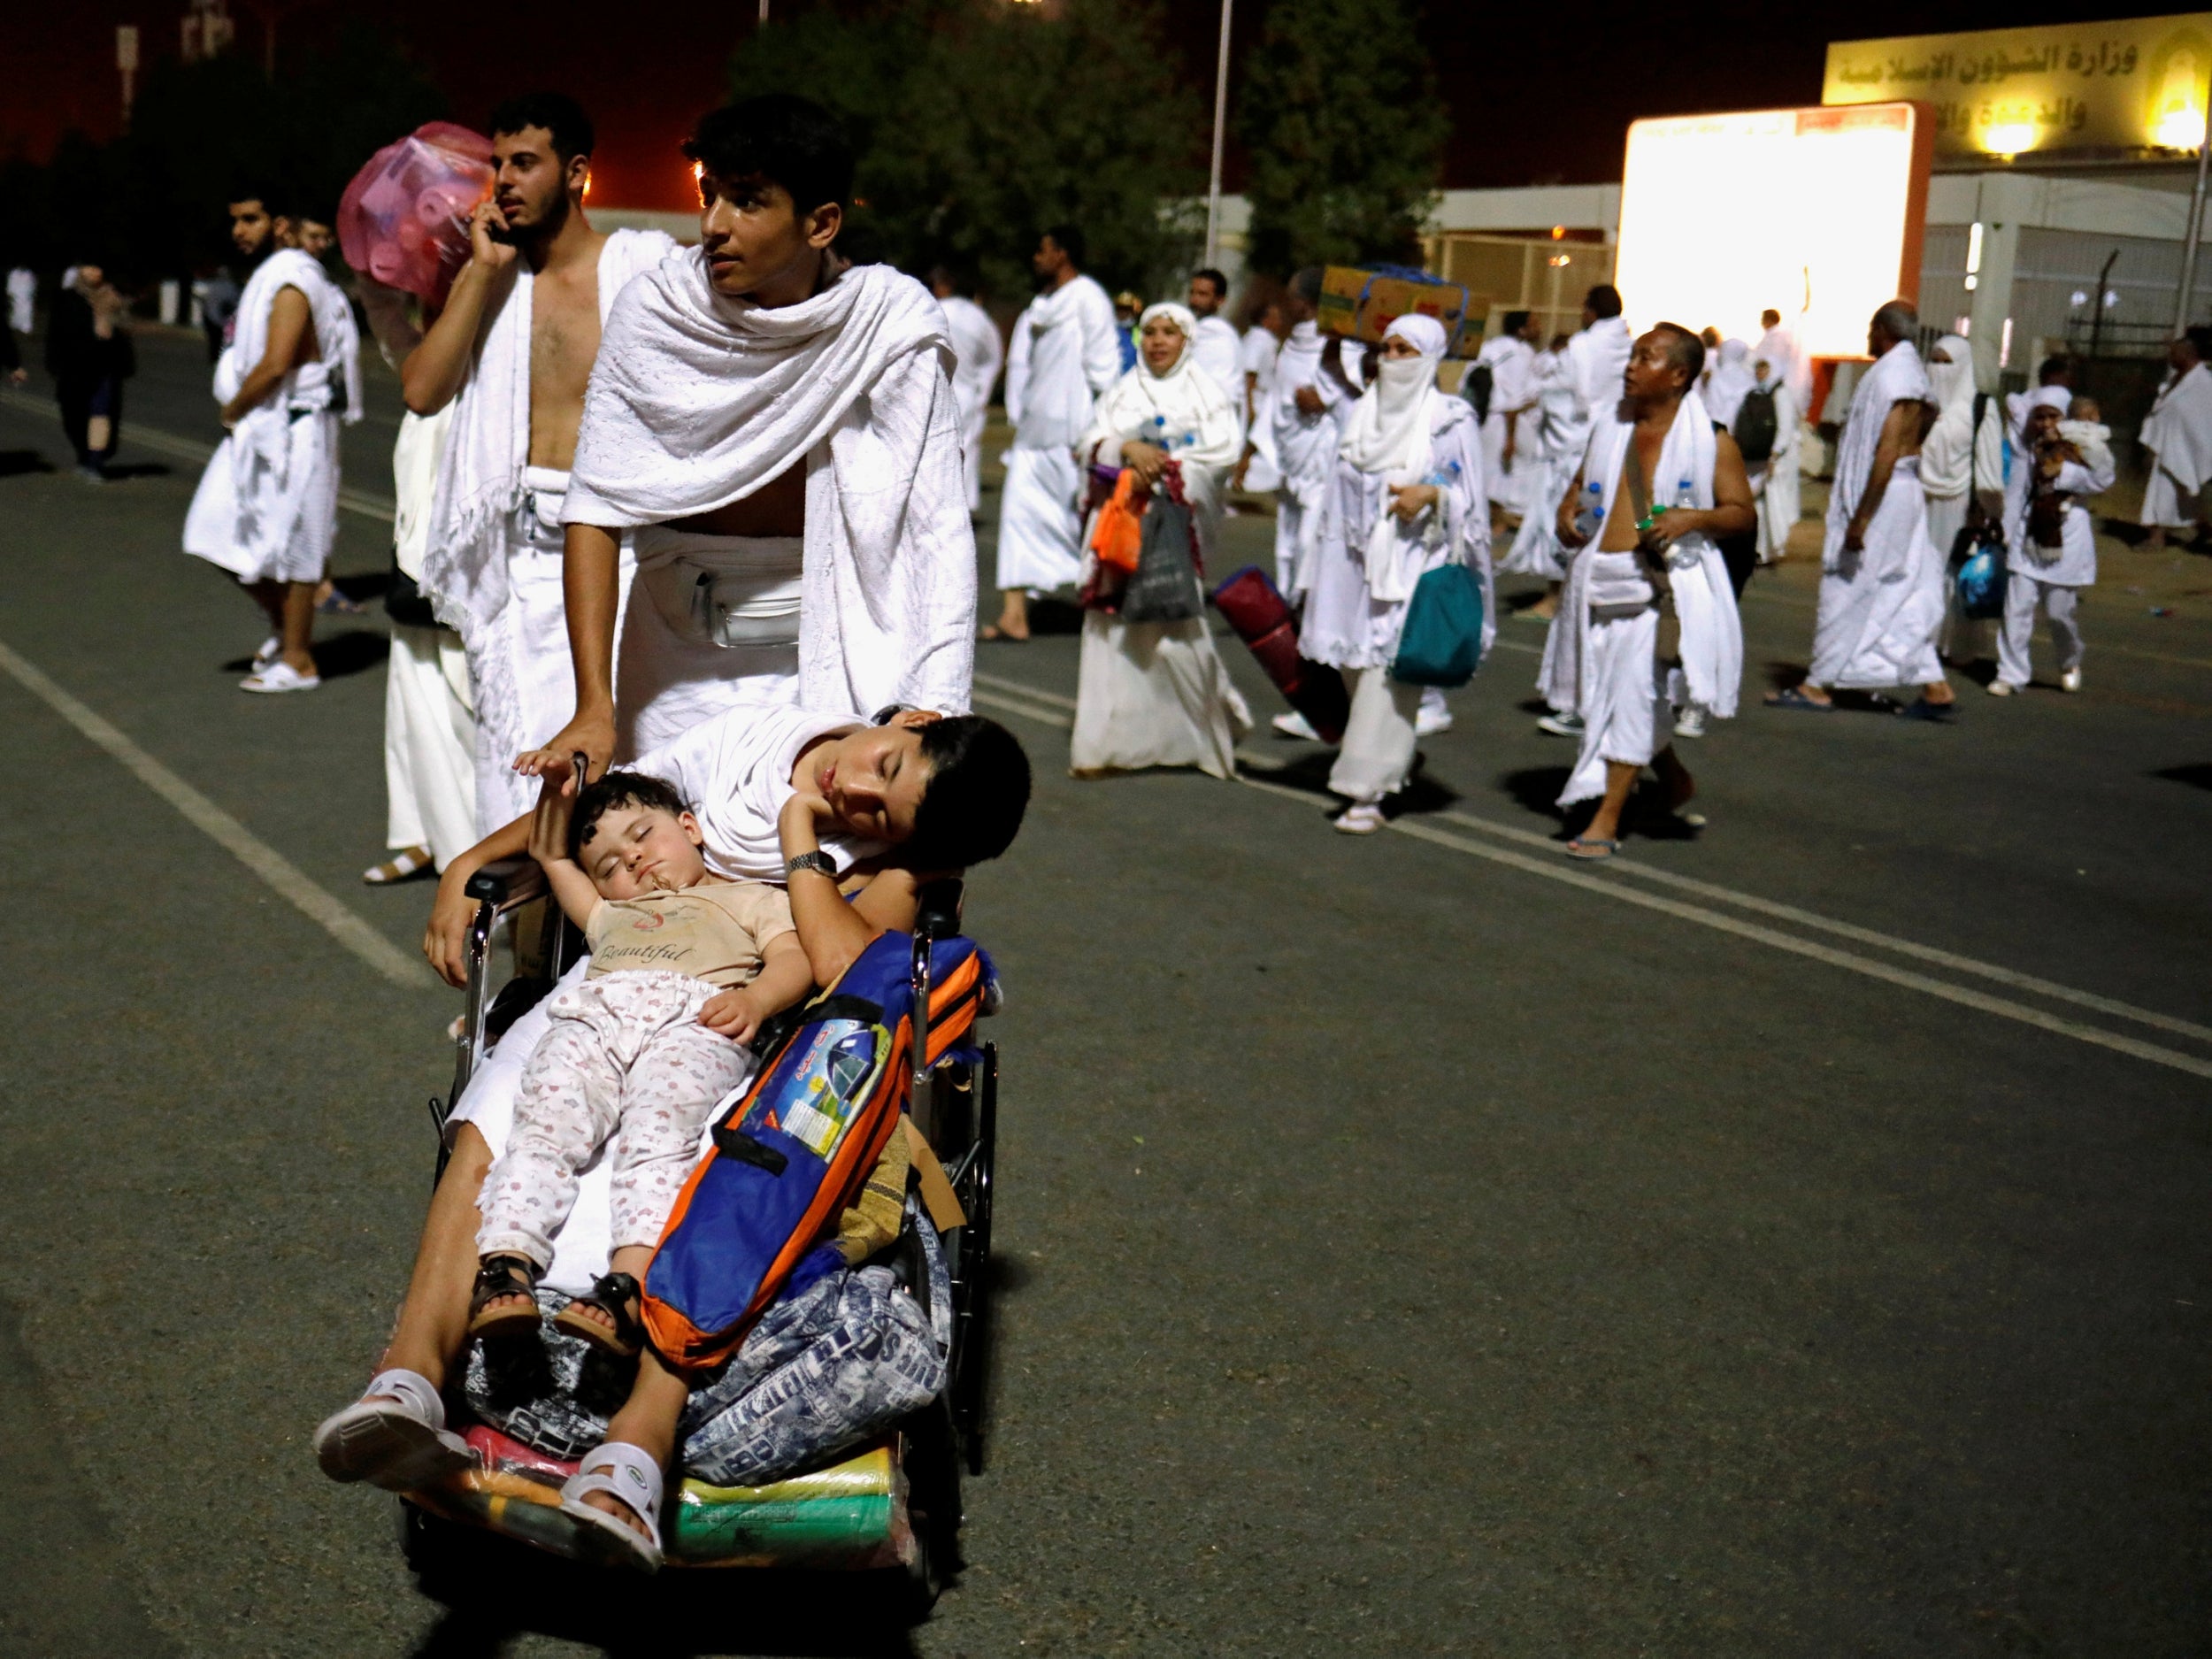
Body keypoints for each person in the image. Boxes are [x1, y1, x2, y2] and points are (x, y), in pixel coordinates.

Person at [312, 702, 1030, 1503]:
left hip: (754, 1009)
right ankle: (410, 1375)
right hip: (619, 974)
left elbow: (840, 971)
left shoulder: (895, 856)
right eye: (885, 764)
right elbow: (605, 809)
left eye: (882, 813)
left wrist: (799, 832)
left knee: (725, 1158)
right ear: (915, 720)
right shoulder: (749, 735)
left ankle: (639, 1439)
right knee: (499, 1099)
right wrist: (465, 866)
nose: (857, 792)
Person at [546, 95, 975, 787]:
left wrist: (939, 702)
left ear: (820, 223)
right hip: (672, 663)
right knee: (663, 842)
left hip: (833, 659)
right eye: (710, 195)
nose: (713, 225)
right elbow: (595, 505)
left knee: (812, 845)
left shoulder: (885, 325)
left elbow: (937, 528)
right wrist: (594, 704)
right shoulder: (657, 311)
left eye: (747, 202)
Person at [467, 769, 812, 1354]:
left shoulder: (751, 898)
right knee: (546, 1119)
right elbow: (552, 854)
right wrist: (558, 782)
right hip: (597, 1016)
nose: (631, 859)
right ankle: (507, 1261)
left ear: (690, 827)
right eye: (609, 867)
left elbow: (793, 956)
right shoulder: (608, 915)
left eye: (642, 835)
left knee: (658, 1131)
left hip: (696, 1017)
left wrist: (757, 999)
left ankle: (626, 1283)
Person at [406, 93, 677, 832]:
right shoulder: (494, 282)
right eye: (497, 165)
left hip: (624, 559)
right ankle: (528, 910)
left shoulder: (643, 268)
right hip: (523, 561)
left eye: (524, 163)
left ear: (577, 172)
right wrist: (479, 272)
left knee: (623, 778)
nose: (503, 181)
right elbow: (423, 391)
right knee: (518, 779)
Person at [1546, 324, 1751, 857]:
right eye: (1633, 355)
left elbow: (1740, 514)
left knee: (1633, 700)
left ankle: (1606, 819)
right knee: (1606, 697)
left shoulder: (1712, 441)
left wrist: (1691, 519)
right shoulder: (1611, 425)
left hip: (1655, 593)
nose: (1631, 366)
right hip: (1597, 583)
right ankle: (1674, 778)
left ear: (1679, 375)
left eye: (1646, 358)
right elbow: (1582, 485)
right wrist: (1567, 511)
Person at [1299, 315, 1491, 834]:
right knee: (1354, 669)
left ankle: (1368, 789)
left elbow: (1465, 488)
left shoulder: (1449, 420)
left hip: (1410, 562)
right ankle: (1390, 760)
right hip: (1350, 566)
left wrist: (1431, 493)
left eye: (1406, 350)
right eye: (1387, 349)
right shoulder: (1363, 413)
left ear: (1429, 358)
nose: (1393, 360)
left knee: (1386, 677)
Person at [1067, 302, 1253, 778]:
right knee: (1112, 630)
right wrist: (1126, 449)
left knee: (1175, 632)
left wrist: (1166, 472)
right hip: (1121, 527)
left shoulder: (1207, 396)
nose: (1158, 342)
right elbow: (1088, 445)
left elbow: (1222, 456)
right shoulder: (1122, 392)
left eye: (1169, 332)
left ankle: (1205, 734)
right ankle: (1107, 746)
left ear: (1186, 341)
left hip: (1173, 530)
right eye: (1149, 332)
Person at [180, 192, 354, 692]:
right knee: (213, 530)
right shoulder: (272, 276)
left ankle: (299, 660)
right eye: (235, 220)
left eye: (251, 219)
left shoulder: (292, 281)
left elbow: (277, 363)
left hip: (294, 428)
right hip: (265, 426)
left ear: (279, 225)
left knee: (297, 543)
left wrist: (233, 409)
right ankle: (285, 631)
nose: (239, 230)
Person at [1769, 300, 1955, 720]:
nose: (1869, 337)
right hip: (1905, 493)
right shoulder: (1912, 374)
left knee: (1849, 587)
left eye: (1872, 329)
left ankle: (1816, 684)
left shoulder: (1893, 377)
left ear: (1883, 330)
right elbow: (1927, 421)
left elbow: (1886, 451)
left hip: (1885, 497)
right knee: (1900, 588)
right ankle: (1934, 684)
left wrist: (1862, 519)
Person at [988, 226, 1119, 641]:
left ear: (1062, 255)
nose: (1036, 257)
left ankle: (1106, 612)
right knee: (1017, 519)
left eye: (1043, 250)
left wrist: (1102, 431)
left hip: (1072, 436)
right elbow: (1025, 368)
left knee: (1082, 527)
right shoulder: (1041, 305)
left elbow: (1104, 370)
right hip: (1033, 435)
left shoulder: (1089, 299)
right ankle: (1014, 615)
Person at [1529, 285, 1634, 731]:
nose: (1633, 369)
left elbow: (1567, 396)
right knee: (1583, 559)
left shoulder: (1584, 348)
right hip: (1592, 462)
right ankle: (1579, 699)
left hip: (1591, 460)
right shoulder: (1622, 351)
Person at [1989, 390, 2113, 696]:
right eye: (2040, 416)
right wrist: (2006, 529)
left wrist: (2064, 472)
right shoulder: (2029, 448)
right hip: (2029, 533)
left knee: (2059, 614)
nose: (2045, 423)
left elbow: (2103, 480)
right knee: (2016, 609)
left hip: (2067, 537)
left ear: (2066, 418)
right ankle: (2011, 673)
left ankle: (2069, 661)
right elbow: (2018, 490)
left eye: (2052, 416)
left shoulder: (2084, 445)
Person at [1268, 266, 1355, 599]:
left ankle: (1304, 602)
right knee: (1285, 542)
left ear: (1304, 303)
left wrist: (1326, 397)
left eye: (1291, 297)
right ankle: (1283, 600)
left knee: (1309, 539)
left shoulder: (1342, 346)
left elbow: (1354, 389)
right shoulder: (1290, 344)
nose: (1286, 303)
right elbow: (1277, 395)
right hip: (1291, 453)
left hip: (1321, 455)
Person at [43, 262, 134, 480]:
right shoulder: (67, 299)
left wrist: (126, 360)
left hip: (105, 366)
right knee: (74, 415)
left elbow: (124, 333)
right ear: (80, 271)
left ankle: (95, 462)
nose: (94, 272)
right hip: (74, 367)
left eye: (98, 268)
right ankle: (84, 455)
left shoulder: (113, 297)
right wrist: (53, 361)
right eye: (89, 268)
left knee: (100, 413)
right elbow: (55, 332)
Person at [930, 265, 1004, 516]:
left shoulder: (933, 309)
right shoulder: (979, 317)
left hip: (938, 391)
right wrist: (982, 391)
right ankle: (961, 507)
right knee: (967, 451)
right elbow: (994, 357)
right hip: (968, 395)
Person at [2140, 329, 2212, 550]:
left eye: (2174, 352)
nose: (2170, 357)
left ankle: (2202, 531)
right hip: (2171, 445)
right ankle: (2158, 536)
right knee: (2165, 489)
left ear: (2189, 353)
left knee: (2196, 493)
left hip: (2195, 448)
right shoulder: (2176, 380)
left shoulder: (2204, 383)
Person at [1473, 311, 1540, 524]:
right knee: (1501, 473)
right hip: (1503, 421)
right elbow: (1512, 401)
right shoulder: (1516, 354)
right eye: (1534, 324)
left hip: (1486, 417)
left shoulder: (1492, 347)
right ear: (1521, 330)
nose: (1539, 329)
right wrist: (1510, 438)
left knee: (1486, 470)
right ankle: (1501, 520)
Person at [1743, 353, 1802, 565]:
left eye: (1765, 368)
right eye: (1758, 368)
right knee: (1762, 505)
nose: (1760, 373)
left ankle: (1769, 550)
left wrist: (1775, 455)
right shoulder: (1761, 392)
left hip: (1777, 459)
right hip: (1762, 457)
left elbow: (1785, 428)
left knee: (1773, 506)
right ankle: (1760, 550)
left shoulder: (1781, 393)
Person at [1235, 296, 1285, 494]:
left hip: (1263, 398)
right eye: (1276, 317)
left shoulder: (1267, 341)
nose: (1280, 322)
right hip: (1255, 397)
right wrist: (1250, 406)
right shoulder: (1259, 340)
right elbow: (1250, 373)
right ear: (1265, 320)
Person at [1186, 266, 1244, 405]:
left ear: (1220, 300)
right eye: (1192, 293)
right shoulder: (1191, 330)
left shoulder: (1220, 335)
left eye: (1202, 294)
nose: (1194, 300)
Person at [1754, 306, 1810, 411]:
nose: (1761, 323)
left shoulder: (1775, 337)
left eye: (1763, 320)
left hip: (1775, 383)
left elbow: (1771, 360)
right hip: (1784, 383)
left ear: (1768, 321)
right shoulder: (1784, 335)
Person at [7, 265, 34, 334]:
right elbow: (10, 285)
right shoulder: (13, 273)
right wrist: (11, 295)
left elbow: (31, 285)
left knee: (26, 312)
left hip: (26, 297)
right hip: (15, 297)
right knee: (16, 312)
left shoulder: (29, 274)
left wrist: (29, 294)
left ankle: (25, 327)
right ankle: (16, 326)